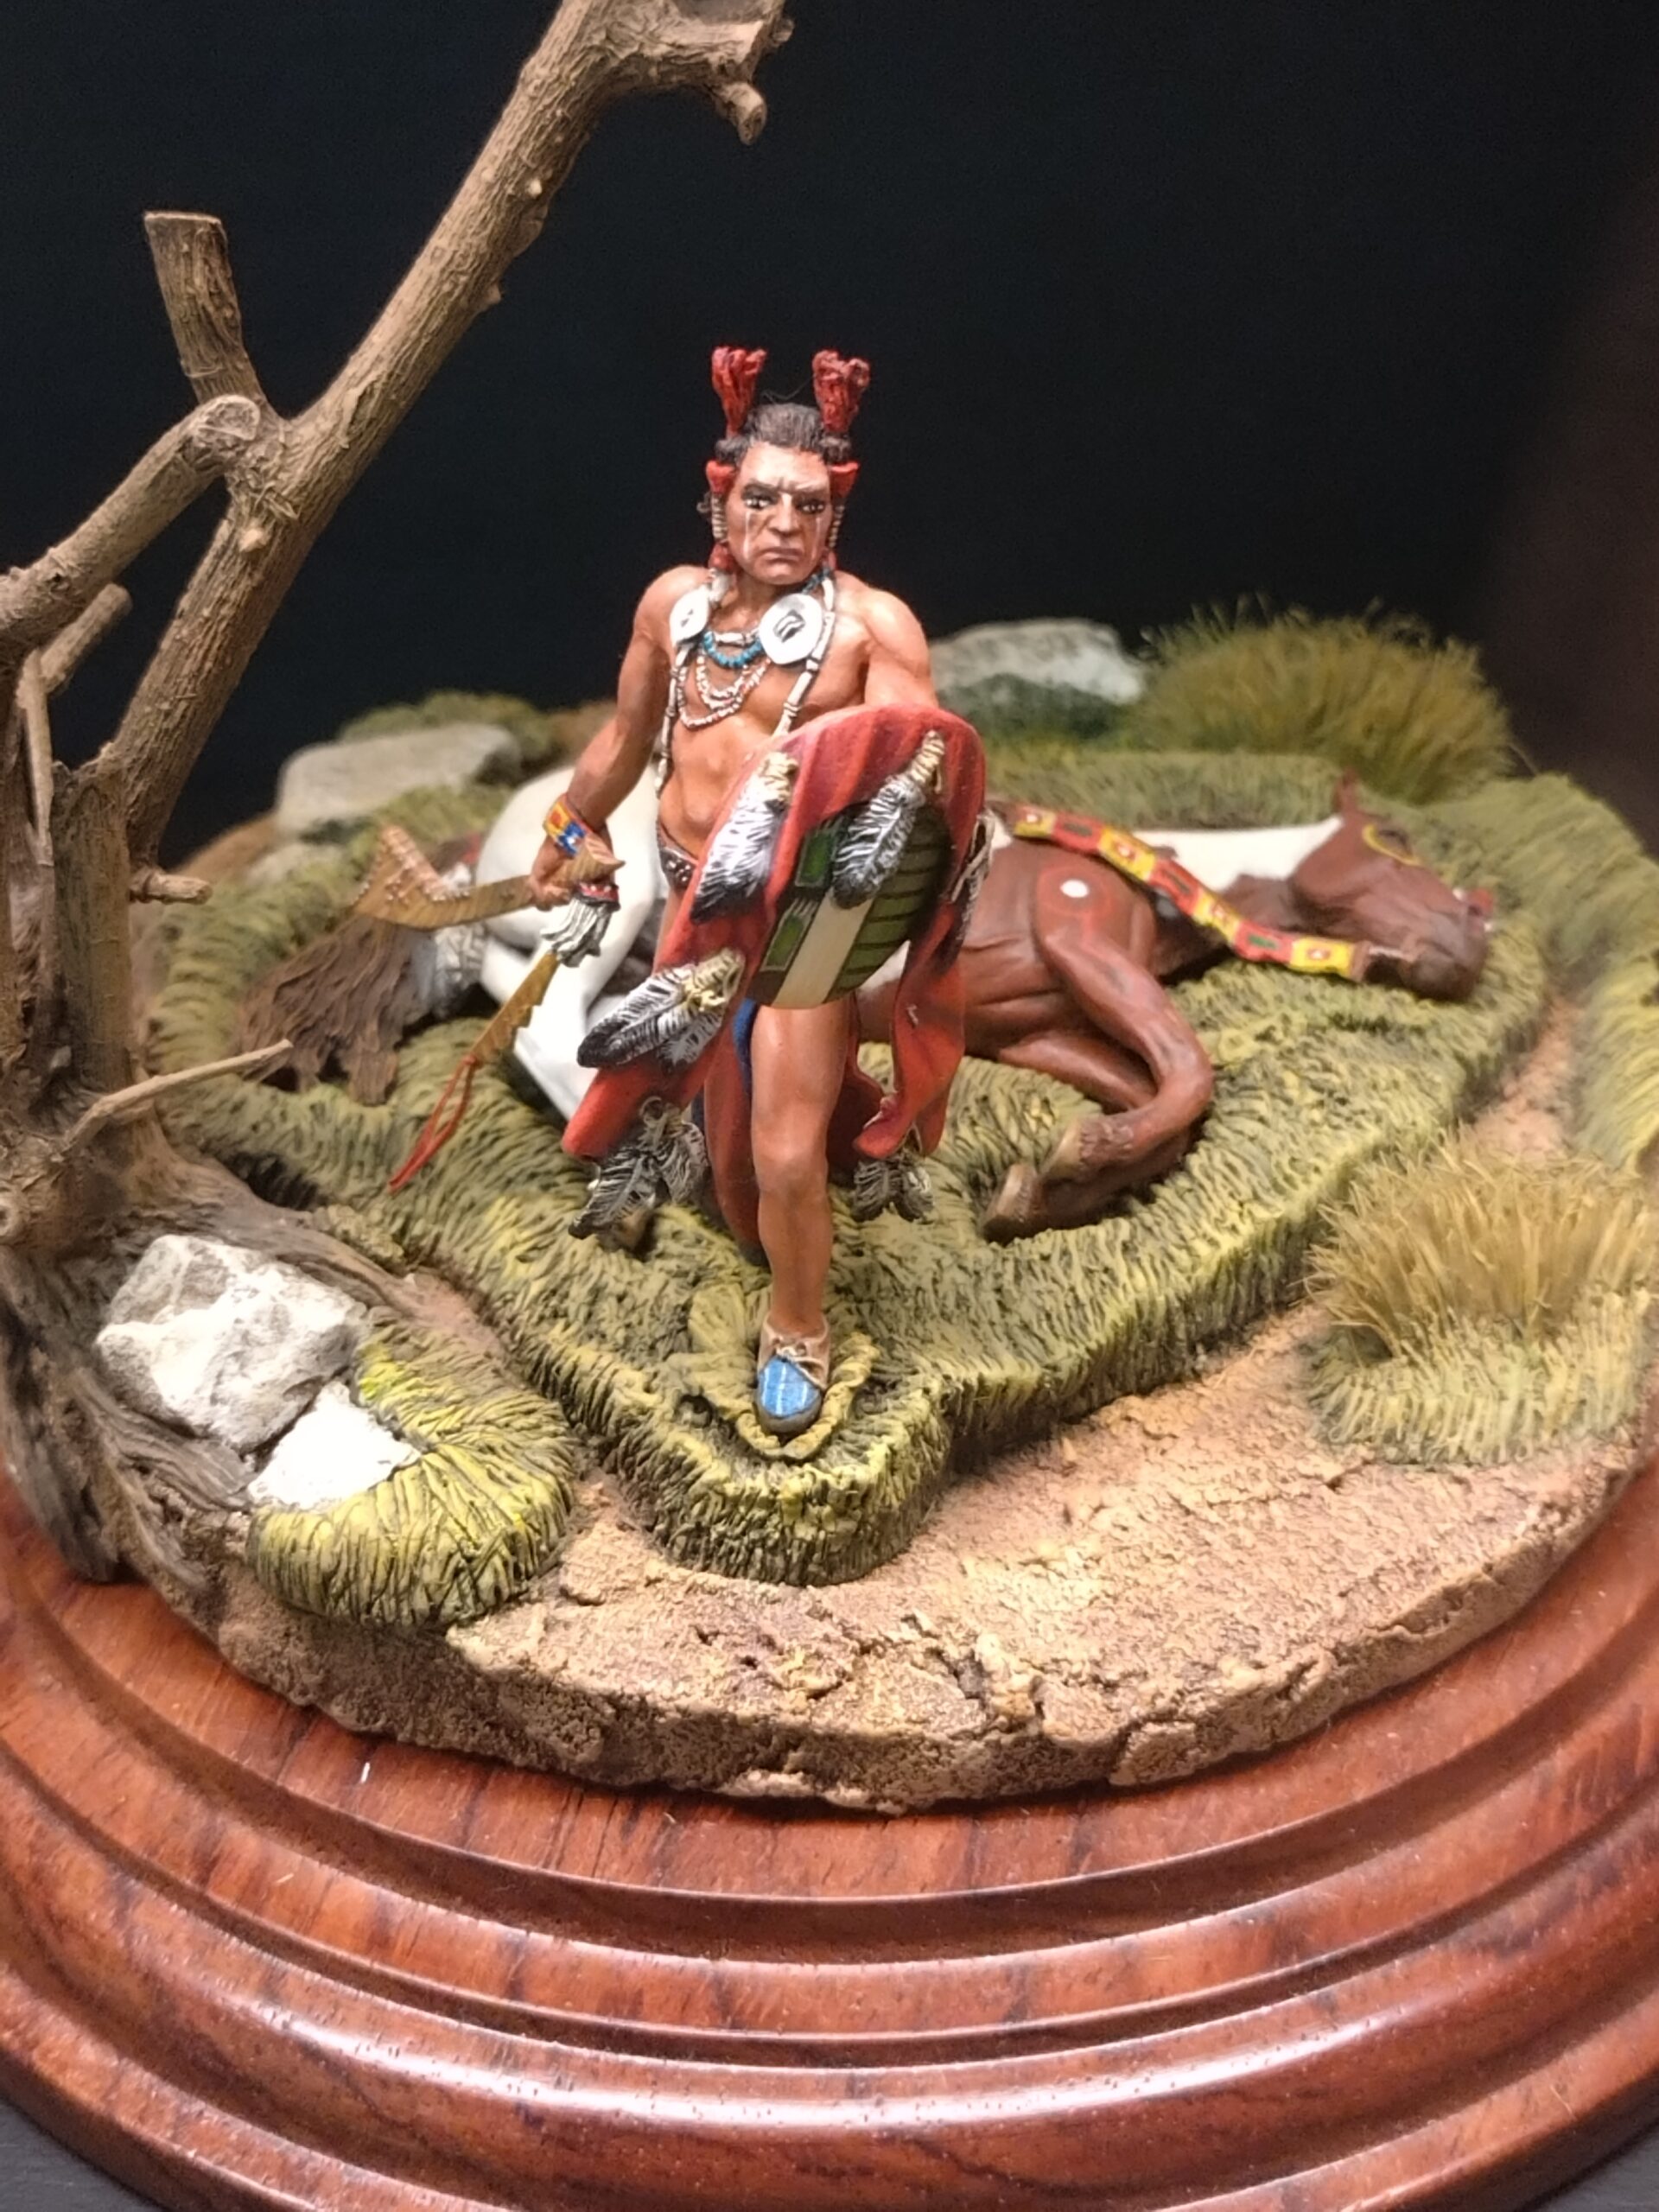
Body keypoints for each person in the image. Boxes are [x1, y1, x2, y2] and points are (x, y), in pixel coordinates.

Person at [529, 348, 985, 1439]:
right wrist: (572, 822)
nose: (783, 522)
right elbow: (626, 737)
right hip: (690, 913)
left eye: (808, 505)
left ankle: (799, 1327)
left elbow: (926, 779)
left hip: (797, 933)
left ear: (836, 515)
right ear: (721, 501)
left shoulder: (874, 630)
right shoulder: (673, 608)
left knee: (784, 1156)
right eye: (762, 499)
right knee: (684, 1122)